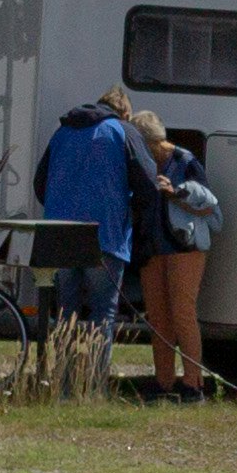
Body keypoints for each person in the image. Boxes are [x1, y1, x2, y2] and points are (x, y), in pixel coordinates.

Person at [33, 90, 148, 340]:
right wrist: (131, 214)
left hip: (61, 234)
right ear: (125, 113)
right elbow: (148, 184)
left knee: (67, 311)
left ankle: (64, 377)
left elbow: (39, 185)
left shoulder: (62, 132)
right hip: (104, 235)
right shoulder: (123, 131)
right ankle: (93, 379)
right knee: (102, 313)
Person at [125, 108, 220, 400]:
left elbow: (209, 208)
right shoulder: (142, 163)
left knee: (182, 314)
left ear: (154, 142)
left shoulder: (185, 161)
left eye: (142, 146)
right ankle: (163, 381)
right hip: (152, 249)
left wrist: (174, 192)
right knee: (158, 318)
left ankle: (194, 383)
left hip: (184, 248)